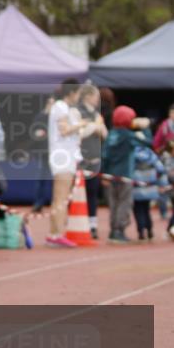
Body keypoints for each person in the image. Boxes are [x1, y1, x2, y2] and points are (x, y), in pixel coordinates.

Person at [46, 79, 86, 248]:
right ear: (72, 93)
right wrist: (80, 124)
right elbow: (64, 130)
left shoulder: (64, 107)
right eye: (78, 93)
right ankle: (56, 233)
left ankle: (56, 232)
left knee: (60, 197)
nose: (78, 97)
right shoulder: (61, 106)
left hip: (66, 155)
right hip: (62, 156)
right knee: (61, 197)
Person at [103, 105, 150, 243]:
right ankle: (119, 230)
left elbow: (104, 155)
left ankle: (113, 230)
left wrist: (104, 173)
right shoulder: (128, 135)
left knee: (113, 204)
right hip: (125, 175)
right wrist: (145, 128)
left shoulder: (111, 134)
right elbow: (147, 142)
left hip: (110, 176)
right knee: (124, 203)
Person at [77, 83, 108, 240]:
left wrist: (99, 126)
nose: (98, 100)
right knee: (76, 194)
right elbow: (80, 133)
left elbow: (104, 134)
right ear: (88, 96)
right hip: (81, 160)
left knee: (93, 193)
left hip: (95, 160)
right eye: (96, 96)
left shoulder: (96, 113)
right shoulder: (77, 111)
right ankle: (75, 224)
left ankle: (93, 225)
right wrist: (93, 126)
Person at [132, 140, 167, 240]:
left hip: (136, 186)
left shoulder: (131, 154)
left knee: (138, 209)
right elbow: (160, 169)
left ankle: (141, 231)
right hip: (149, 186)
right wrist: (161, 184)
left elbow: (127, 169)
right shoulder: (151, 154)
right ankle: (150, 230)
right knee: (147, 209)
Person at [30, 96, 54, 213]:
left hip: (56, 153)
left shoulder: (57, 117)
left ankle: (56, 203)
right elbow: (34, 132)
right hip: (43, 153)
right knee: (41, 179)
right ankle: (38, 203)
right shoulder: (40, 117)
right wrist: (38, 133)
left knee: (57, 179)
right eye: (51, 103)